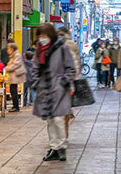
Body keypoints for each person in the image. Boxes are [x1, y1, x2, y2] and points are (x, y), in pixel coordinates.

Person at [32, 23, 75, 162]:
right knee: (50, 119)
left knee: (58, 118)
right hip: (45, 88)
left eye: (44, 35)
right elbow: (35, 68)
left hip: (59, 88)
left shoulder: (62, 49)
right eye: (40, 36)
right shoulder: (39, 50)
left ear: (50, 35)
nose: (42, 38)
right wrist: (36, 81)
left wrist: (63, 81)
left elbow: (71, 67)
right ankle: (53, 147)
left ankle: (61, 147)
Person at [5, 43, 26, 112]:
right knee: (13, 91)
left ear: (12, 49)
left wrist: (7, 68)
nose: (7, 50)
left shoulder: (16, 55)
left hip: (15, 76)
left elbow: (16, 64)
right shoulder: (13, 55)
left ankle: (16, 107)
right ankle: (15, 106)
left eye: (8, 48)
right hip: (13, 76)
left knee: (13, 91)